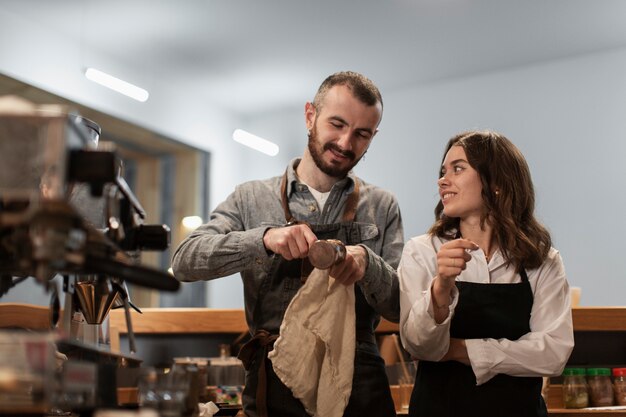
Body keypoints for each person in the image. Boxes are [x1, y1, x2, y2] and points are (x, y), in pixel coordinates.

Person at [172, 71, 404, 417]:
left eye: (361, 134)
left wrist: (368, 266)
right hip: (273, 379)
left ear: (373, 136)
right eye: (337, 125)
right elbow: (184, 261)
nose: (345, 143)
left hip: (359, 383)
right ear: (310, 115)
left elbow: (401, 307)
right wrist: (264, 239)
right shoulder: (251, 198)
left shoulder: (382, 206)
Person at [398, 131, 574, 417]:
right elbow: (420, 345)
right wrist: (441, 287)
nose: (442, 180)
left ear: (497, 183)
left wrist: (458, 350)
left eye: (458, 168)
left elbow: (554, 353)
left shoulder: (543, 260)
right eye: (443, 171)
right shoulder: (422, 251)